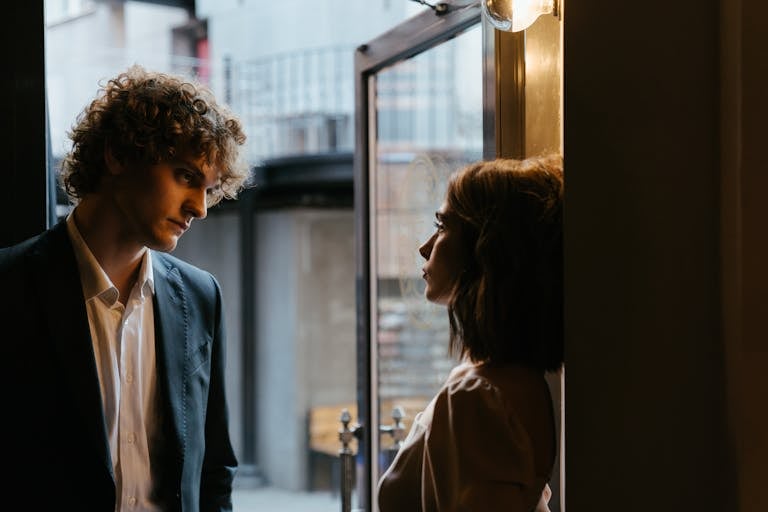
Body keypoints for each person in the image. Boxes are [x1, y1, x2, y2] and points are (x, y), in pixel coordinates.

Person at [0, 65, 249, 511]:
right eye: (186, 175)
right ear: (118, 155)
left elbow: (213, 469)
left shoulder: (200, 295)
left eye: (209, 190)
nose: (200, 208)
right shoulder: (10, 284)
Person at [377, 154, 564, 511]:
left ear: (486, 248)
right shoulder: (516, 381)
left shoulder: (478, 396)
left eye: (443, 225)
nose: (425, 247)